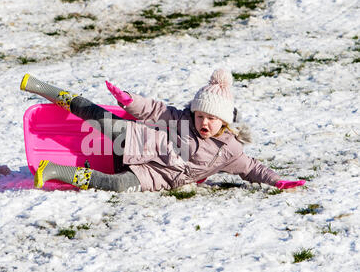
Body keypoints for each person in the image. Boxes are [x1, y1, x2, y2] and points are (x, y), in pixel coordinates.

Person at [20, 69, 306, 192]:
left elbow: (254, 169)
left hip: (157, 176)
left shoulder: (230, 151)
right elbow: (155, 110)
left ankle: (54, 170)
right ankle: (40, 86)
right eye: (201, 116)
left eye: (211, 119)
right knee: (97, 116)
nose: (204, 123)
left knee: (116, 186)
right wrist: (130, 101)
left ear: (224, 122)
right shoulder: (182, 118)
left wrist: (278, 181)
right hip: (140, 142)